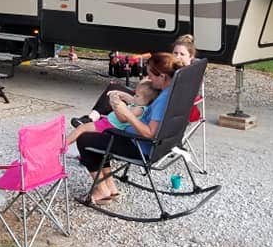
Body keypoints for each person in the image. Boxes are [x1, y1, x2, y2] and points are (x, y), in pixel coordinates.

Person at [74, 52, 181, 203]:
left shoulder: (162, 101)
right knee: (99, 138)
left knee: (85, 139)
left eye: (150, 75)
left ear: (162, 76)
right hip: (157, 145)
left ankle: (102, 191)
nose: (148, 79)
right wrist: (132, 99)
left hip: (139, 146)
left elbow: (149, 133)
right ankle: (110, 187)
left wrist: (127, 114)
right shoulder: (173, 91)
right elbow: (148, 109)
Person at [66, 80, 159, 147]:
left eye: (137, 95)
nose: (134, 96)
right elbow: (131, 99)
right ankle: (83, 152)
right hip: (109, 122)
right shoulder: (139, 104)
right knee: (86, 131)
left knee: (82, 128)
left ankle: (63, 145)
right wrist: (119, 94)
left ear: (148, 100)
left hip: (110, 126)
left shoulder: (140, 109)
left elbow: (122, 118)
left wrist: (114, 105)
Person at [172, 34, 203, 122]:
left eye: (182, 54)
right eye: (175, 53)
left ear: (191, 56)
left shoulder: (191, 73)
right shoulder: (172, 68)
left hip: (181, 113)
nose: (177, 57)